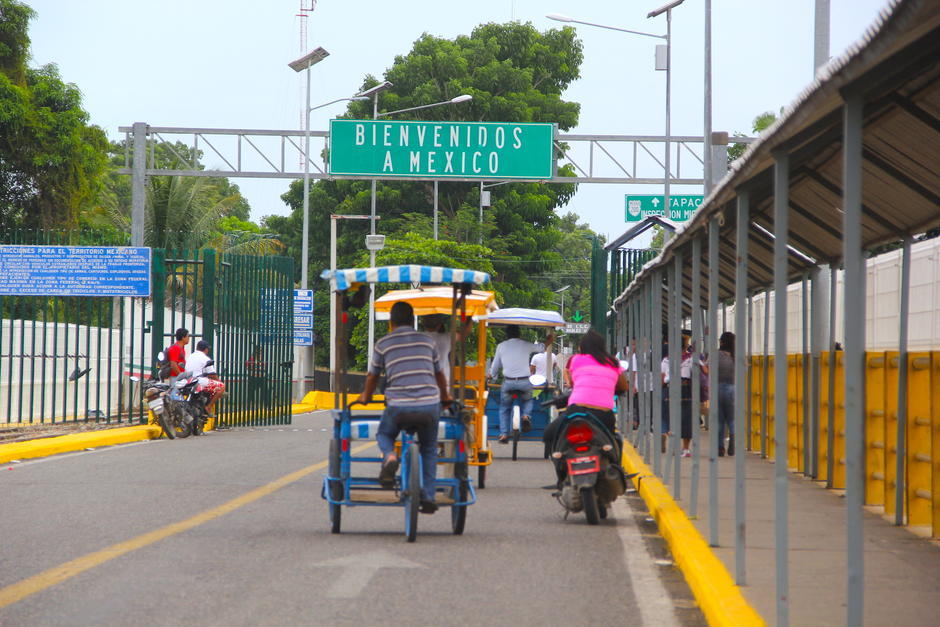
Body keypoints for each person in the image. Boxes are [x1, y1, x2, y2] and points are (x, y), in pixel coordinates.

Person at [357, 301, 451, 514]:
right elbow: (439, 374)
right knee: (429, 448)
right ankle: (428, 495)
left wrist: (366, 396)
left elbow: (373, 376)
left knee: (384, 434)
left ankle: (390, 457)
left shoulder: (383, 343)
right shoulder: (428, 342)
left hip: (398, 406)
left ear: (391, 322)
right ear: (412, 320)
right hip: (429, 405)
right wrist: (445, 397)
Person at [488, 325, 554, 442]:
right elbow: (541, 348)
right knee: (528, 400)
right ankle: (526, 415)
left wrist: (491, 376)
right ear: (519, 334)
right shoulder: (525, 344)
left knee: (504, 408)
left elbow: (495, 367)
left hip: (508, 382)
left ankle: (504, 434)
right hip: (524, 382)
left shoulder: (501, 346)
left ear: (506, 334)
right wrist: (549, 340)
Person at [421, 314, 470, 386]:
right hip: (444, 384)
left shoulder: (417, 338)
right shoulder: (447, 338)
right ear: (439, 325)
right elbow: (464, 333)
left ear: (424, 324)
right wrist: (466, 315)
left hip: (423, 383)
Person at [185, 340, 226, 416]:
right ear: (206, 349)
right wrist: (219, 382)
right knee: (221, 387)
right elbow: (212, 375)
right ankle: (208, 407)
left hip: (189, 381)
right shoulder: (205, 358)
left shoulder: (191, 356)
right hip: (198, 381)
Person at [716, 331, 736, 456]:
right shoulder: (736, 355)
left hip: (718, 388)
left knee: (719, 420)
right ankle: (733, 436)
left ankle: (720, 447)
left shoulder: (716, 355)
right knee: (732, 419)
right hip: (733, 389)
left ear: (722, 342)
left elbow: (708, 369)